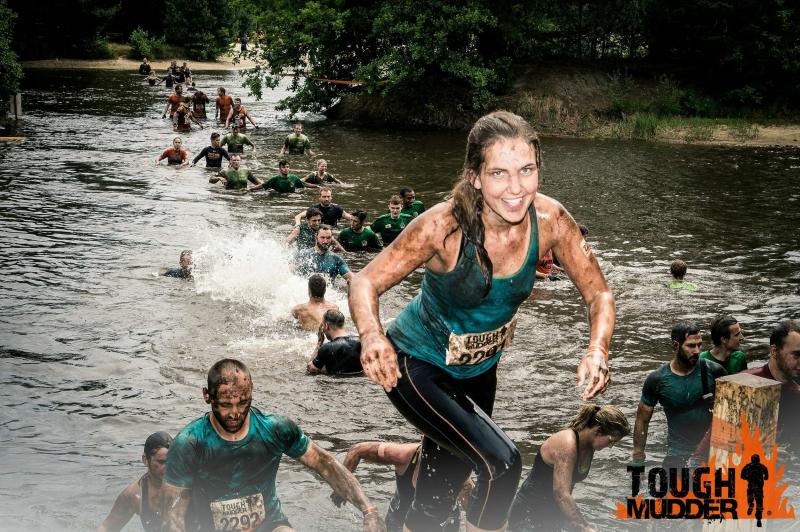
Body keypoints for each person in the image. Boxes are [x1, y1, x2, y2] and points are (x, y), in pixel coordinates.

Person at [349, 111, 616, 531]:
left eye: (527, 170)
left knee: (439, 493)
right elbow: (365, 281)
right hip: (416, 363)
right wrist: (371, 336)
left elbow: (599, 293)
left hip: (478, 371)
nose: (516, 188)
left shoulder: (550, 221)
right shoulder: (442, 227)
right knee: (502, 464)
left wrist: (597, 348)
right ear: (474, 176)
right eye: (499, 173)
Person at [160, 359, 386, 532]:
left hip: (269, 524)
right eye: (226, 405)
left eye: (243, 402)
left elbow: (324, 463)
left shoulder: (275, 429)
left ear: (252, 391)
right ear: (207, 396)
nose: (235, 413)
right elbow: (173, 515)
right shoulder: (190, 444)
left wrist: (369, 511)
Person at [508, 405, 629, 532]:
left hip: (554, 510)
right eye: (611, 441)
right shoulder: (567, 444)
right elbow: (561, 495)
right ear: (598, 430)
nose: (611, 446)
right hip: (529, 512)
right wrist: (585, 527)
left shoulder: (589, 446)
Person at [693, 319, 800, 459]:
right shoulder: (744, 385)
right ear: (774, 351)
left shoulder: (796, 393)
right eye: (797, 355)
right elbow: (708, 447)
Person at [631, 323, 726, 471]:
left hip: (712, 448)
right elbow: (642, 420)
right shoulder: (657, 379)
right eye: (691, 346)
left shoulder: (714, 371)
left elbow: (731, 411)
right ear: (676, 346)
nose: (697, 351)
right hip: (677, 450)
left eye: (699, 345)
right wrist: (638, 457)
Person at [337, 441, 467, 532]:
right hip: (399, 520)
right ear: (423, 440)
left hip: (446, 523)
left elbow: (472, 507)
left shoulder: (457, 467)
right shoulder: (403, 455)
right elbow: (357, 450)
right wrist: (341, 488)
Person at [97, 432, 174, 532]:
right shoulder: (134, 495)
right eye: (161, 462)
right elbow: (107, 528)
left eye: (171, 461)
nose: (167, 467)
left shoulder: (187, 485)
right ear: (145, 459)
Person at [307, 309, 363, 375]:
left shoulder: (326, 347)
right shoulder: (361, 341)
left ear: (326, 326)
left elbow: (311, 369)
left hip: (337, 380)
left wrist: (319, 343)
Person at [741, 454, 769, 526]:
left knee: (750, 499)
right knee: (759, 503)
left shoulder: (748, 466)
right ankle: (759, 519)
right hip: (759, 488)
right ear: (758, 459)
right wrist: (763, 477)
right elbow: (766, 477)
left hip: (751, 486)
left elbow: (742, 476)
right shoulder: (762, 467)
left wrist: (748, 477)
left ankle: (751, 504)